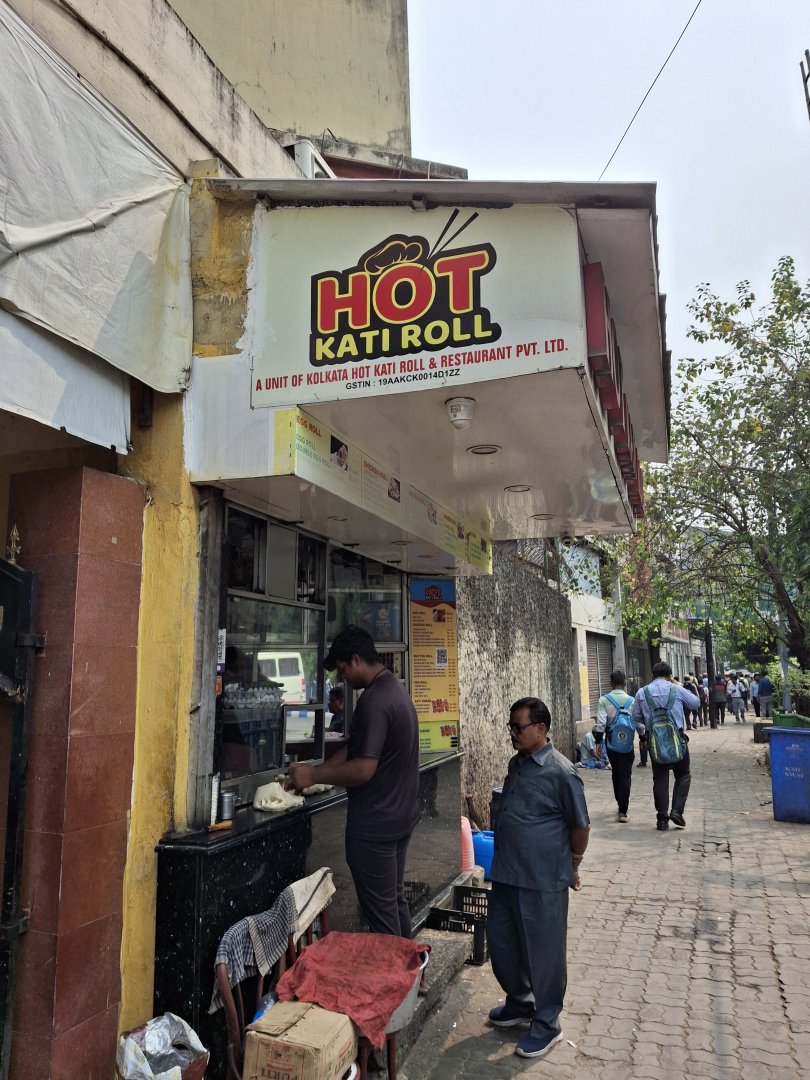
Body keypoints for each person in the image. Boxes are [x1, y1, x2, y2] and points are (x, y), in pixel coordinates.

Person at [285, 626, 419, 937]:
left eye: (343, 669)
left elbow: (362, 769)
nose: (342, 678)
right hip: (398, 818)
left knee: (382, 917)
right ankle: (413, 966)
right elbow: (356, 748)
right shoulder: (394, 690)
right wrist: (318, 773)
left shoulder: (374, 701)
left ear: (356, 659)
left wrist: (314, 775)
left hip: (375, 827)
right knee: (394, 902)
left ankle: (394, 969)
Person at [487, 697, 590, 1060]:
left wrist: (573, 864)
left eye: (519, 727)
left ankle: (547, 1023)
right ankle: (521, 1002)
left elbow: (580, 826)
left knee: (544, 954)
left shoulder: (561, 772)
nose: (512, 733)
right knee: (502, 942)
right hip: (506, 872)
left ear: (541, 729)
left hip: (543, 878)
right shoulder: (517, 764)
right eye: (511, 727)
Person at [632, 661, 700, 831]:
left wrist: (645, 731)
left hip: (655, 743)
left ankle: (662, 819)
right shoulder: (676, 689)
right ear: (670, 676)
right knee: (683, 775)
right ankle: (676, 811)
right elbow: (695, 703)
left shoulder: (642, 692)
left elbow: (636, 717)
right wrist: (677, 684)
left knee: (660, 778)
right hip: (678, 740)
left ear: (652, 676)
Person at [594, 670, 640, 822]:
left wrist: (598, 742)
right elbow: (638, 722)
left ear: (611, 683)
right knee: (625, 775)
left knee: (616, 772)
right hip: (627, 744)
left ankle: (620, 801)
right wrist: (643, 738)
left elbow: (601, 723)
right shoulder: (632, 700)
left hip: (611, 744)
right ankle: (623, 810)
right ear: (625, 683)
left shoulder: (604, 700)